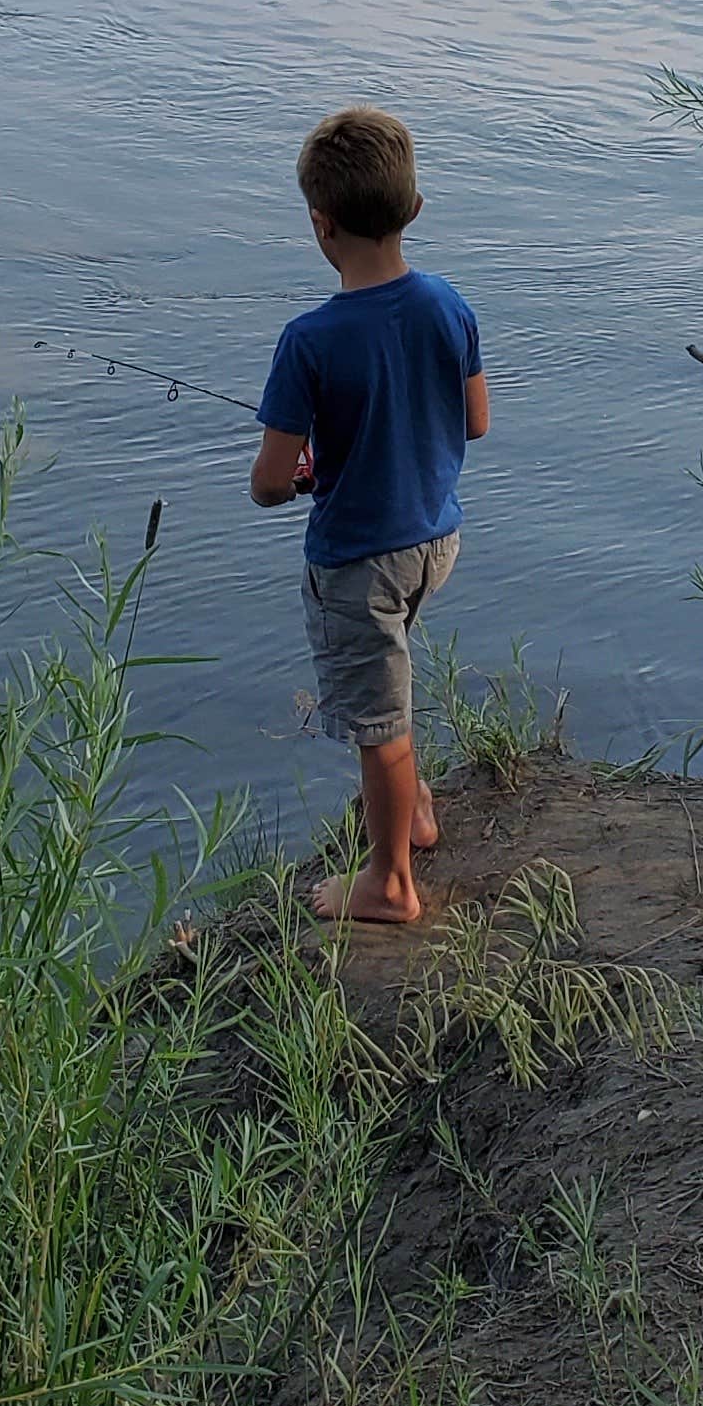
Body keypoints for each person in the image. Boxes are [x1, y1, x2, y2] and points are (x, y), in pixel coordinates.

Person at [249, 106, 488, 926]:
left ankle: (388, 884)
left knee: (375, 720)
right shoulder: (448, 305)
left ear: (320, 224)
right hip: (434, 539)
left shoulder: (308, 341)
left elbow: (271, 484)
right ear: (413, 210)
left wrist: (309, 470)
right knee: (391, 683)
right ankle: (413, 806)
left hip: (358, 559)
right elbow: (475, 420)